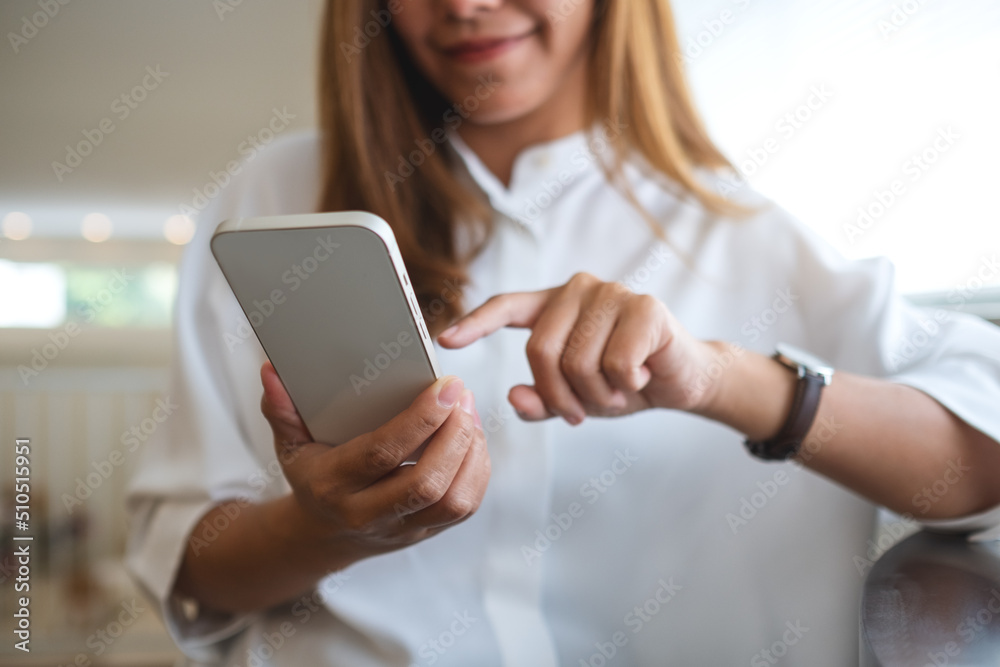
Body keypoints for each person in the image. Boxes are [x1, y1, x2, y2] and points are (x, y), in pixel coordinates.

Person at [125, 1, 1000, 665]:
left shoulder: (752, 233)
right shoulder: (277, 197)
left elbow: (980, 455)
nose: (465, 4)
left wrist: (719, 380)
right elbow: (188, 566)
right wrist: (327, 529)